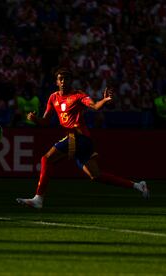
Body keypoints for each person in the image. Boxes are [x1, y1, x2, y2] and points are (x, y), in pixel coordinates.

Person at [16, 68, 149, 209]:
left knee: (46, 159)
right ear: (56, 82)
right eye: (60, 79)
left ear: (70, 81)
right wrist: (34, 119)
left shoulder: (78, 95)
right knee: (95, 175)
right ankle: (137, 185)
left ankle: (38, 198)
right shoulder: (53, 98)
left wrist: (104, 100)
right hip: (79, 140)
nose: (63, 81)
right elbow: (45, 121)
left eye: (66, 79)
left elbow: (95, 106)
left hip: (79, 137)